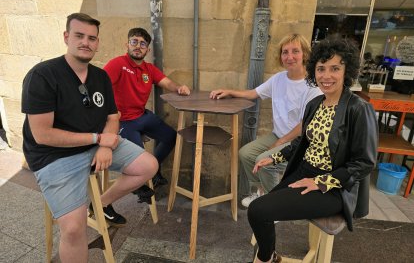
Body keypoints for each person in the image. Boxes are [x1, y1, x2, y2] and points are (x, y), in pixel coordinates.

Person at [21, 13, 158, 263]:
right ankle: (82, 213)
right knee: (74, 230)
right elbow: (42, 135)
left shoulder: (100, 76)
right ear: (66, 37)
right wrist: (98, 139)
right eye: (79, 36)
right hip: (53, 155)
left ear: (97, 42)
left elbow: (113, 116)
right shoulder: (43, 75)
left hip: (96, 145)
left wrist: (105, 145)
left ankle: (99, 203)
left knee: (148, 165)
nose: (86, 42)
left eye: (92, 38)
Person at [248, 37, 378, 263]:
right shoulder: (315, 104)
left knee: (258, 210)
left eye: (335, 68)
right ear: (313, 71)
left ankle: (265, 258)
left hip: (334, 187)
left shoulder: (359, 109)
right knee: (260, 211)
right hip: (304, 171)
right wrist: (276, 156)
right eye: (321, 69)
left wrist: (320, 182)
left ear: (347, 71)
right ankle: (271, 256)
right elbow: (303, 142)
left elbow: (364, 163)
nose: (326, 76)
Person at [210, 34, 322, 207]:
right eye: (285, 52)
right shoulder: (279, 79)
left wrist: (281, 141)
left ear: (305, 54)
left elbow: (306, 124)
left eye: (295, 51)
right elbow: (254, 93)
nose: (289, 57)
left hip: (300, 141)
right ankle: (261, 192)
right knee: (246, 153)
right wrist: (230, 91)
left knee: (265, 161)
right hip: (278, 135)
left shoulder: (313, 86)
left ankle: (276, 205)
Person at [103, 27, 190, 200]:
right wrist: (109, 113)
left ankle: (154, 171)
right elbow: (99, 86)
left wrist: (179, 88)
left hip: (142, 115)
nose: (138, 46)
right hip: (124, 122)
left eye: (143, 44)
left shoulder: (148, 69)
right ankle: (140, 186)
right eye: (134, 42)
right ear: (127, 44)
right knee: (138, 162)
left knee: (172, 137)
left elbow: (167, 82)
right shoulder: (117, 64)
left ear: (147, 50)